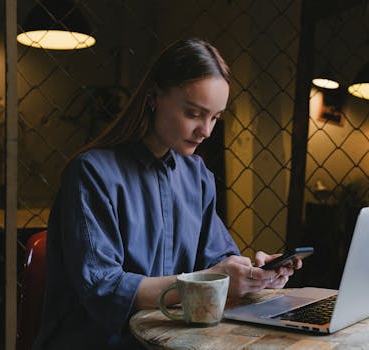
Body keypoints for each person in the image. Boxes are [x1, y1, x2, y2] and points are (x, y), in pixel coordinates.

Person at [33, 38, 301, 350]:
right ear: (152, 98)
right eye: (194, 113)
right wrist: (208, 282)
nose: (207, 131)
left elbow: (215, 260)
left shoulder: (198, 176)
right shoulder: (92, 173)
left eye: (215, 117)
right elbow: (103, 288)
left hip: (174, 341)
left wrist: (253, 275)